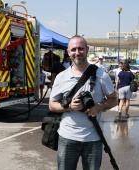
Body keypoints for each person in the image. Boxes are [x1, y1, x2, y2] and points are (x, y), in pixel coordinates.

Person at [49, 35, 117, 170]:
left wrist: (98, 106)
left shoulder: (101, 75)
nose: (77, 52)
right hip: (67, 137)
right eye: (73, 49)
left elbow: (114, 100)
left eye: (80, 48)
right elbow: (52, 105)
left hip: (93, 138)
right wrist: (69, 107)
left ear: (87, 50)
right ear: (68, 52)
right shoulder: (61, 77)